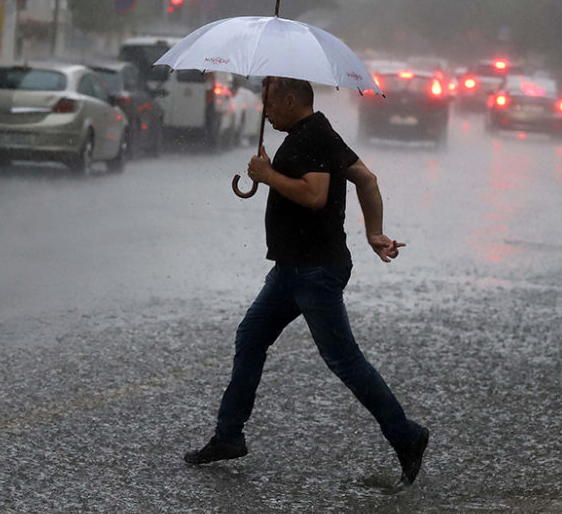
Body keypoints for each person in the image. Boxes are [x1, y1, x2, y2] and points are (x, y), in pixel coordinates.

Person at [184, 76, 430, 486]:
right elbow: (367, 179)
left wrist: (267, 174)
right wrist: (374, 233)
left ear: (291, 98)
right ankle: (229, 436)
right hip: (292, 269)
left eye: (269, 102)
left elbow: (315, 196)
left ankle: (407, 435)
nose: (266, 111)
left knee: (344, 361)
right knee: (250, 338)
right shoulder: (318, 131)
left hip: (313, 270)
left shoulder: (309, 137)